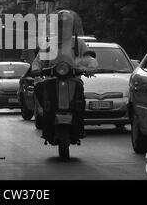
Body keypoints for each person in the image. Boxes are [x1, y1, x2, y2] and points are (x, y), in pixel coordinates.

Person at [31, 9, 97, 139]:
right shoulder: (49, 44)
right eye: (60, 26)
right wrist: (36, 68)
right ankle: (47, 121)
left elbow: (88, 58)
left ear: (72, 27)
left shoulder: (79, 43)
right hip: (52, 79)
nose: (63, 29)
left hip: (73, 79)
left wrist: (91, 67)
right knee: (39, 88)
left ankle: (79, 127)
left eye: (66, 26)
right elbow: (38, 60)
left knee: (80, 101)